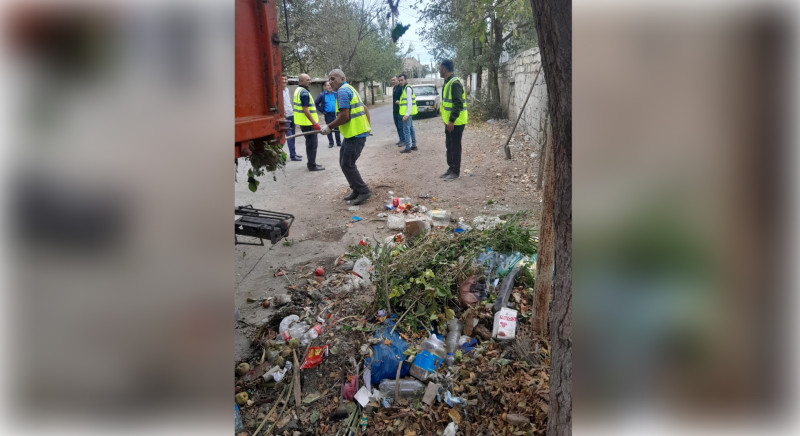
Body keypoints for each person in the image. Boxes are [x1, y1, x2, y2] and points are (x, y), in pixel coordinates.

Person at [320, 69, 372, 205]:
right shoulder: (350, 89)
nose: (330, 82)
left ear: (342, 79)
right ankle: (356, 189)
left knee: (347, 164)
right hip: (353, 134)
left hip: (356, 134)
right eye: (329, 79)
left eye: (333, 79)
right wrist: (368, 126)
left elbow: (344, 116)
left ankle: (363, 191)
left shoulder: (343, 91)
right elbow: (365, 108)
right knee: (344, 162)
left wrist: (329, 126)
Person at [438, 59, 467, 181]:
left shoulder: (454, 83)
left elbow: (458, 104)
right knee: (449, 146)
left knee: (455, 147)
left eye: (440, 68)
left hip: (456, 122)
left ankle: (455, 171)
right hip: (449, 122)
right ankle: (451, 168)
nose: (439, 70)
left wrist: (451, 121)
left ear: (444, 69)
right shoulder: (447, 82)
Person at [293, 74, 324, 171]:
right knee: (312, 144)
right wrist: (314, 123)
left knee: (309, 143)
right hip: (308, 123)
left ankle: (311, 163)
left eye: (310, 79)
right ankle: (312, 165)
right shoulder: (304, 93)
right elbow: (305, 109)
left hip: (303, 123)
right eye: (307, 80)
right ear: (301, 81)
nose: (309, 81)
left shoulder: (298, 90)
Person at [315, 82, 341, 148]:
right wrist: (322, 111)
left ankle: (339, 142)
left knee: (337, 128)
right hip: (328, 115)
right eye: (328, 85)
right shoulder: (322, 95)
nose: (330, 86)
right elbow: (316, 103)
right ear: (325, 87)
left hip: (335, 114)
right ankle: (331, 143)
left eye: (330, 85)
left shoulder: (335, 94)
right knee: (328, 128)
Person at [282, 73, 302, 161]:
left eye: (285, 79)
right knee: (289, 136)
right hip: (285, 117)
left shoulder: (286, 89)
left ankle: (294, 153)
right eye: (282, 79)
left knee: (293, 136)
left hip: (291, 115)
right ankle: (293, 155)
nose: (284, 81)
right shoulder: (278, 91)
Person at [397, 73, 418, 154]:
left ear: (406, 80)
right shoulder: (405, 88)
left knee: (406, 130)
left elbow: (409, 103)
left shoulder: (407, 89)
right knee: (411, 128)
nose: (400, 82)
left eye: (402, 80)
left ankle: (407, 148)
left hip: (407, 114)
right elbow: (406, 102)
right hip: (407, 113)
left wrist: (406, 114)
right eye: (399, 81)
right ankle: (414, 145)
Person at [391, 76, 405, 146]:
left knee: (400, 126)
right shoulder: (394, 89)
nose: (393, 81)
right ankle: (400, 139)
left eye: (394, 80)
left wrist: (399, 102)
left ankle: (403, 140)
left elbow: (404, 98)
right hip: (395, 111)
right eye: (392, 80)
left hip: (400, 110)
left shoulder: (400, 88)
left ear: (397, 80)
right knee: (397, 126)